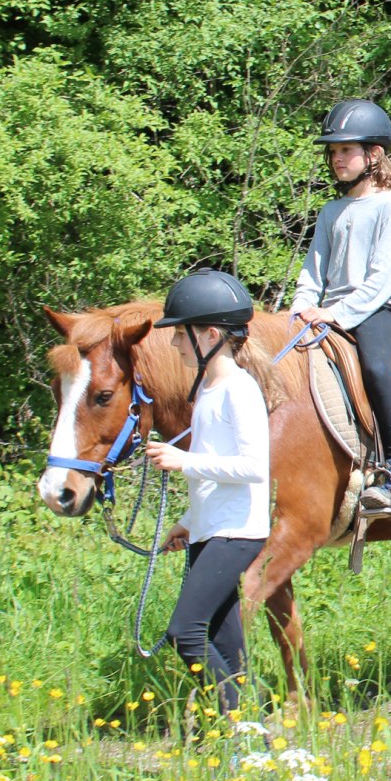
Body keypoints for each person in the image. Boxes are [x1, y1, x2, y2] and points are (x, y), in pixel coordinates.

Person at [143, 270, 279, 719]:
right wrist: (188, 521)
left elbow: (253, 469)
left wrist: (183, 461)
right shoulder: (207, 389)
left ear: (211, 335)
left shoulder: (239, 390)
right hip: (212, 530)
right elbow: (215, 473)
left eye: (181, 334)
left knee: (186, 631)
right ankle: (255, 735)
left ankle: (236, 721)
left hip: (236, 533)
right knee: (224, 638)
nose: (175, 344)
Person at [289, 98, 391, 520]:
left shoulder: (389, 207)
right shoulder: (331, 211)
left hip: (376, 309)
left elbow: (381, 279)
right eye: (333, 151)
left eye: (346, 150)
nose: (336, 158)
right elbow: (314, 268)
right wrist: (301, 307)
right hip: (328, 310)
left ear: (373, 155)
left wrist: (339, 314)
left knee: (377, 369)